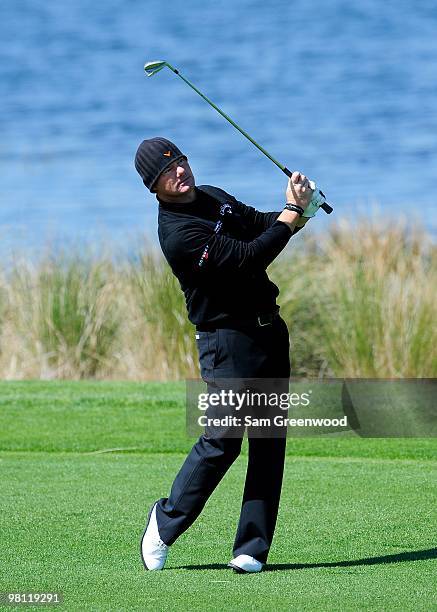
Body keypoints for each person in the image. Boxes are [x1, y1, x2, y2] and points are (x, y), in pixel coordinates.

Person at [134, 136, 316, 573]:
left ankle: (251, 548)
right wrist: (290, 219)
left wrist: (299, 209)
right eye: (165, 172)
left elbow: (259, 225)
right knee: (222, 443)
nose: (178, 172)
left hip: (269, 333)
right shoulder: (177, 233)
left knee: (269, 444)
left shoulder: (214, 196)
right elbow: (249, 257)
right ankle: (164, 521)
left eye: (179, 162)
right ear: (153, 188)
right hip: (225, 342)